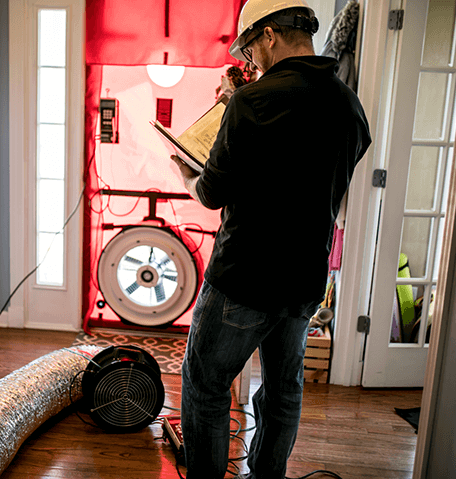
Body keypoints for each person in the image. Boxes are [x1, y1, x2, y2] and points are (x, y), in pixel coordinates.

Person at [169, 1, 371, 478]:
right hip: (303, 279)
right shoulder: (349, 105)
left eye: (251, 49)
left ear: (270, 36)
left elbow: (212, 193)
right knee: (283, 391)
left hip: (244, 276)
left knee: (207, 384)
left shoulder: (249, 103)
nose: (251, 61)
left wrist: (185, 172)